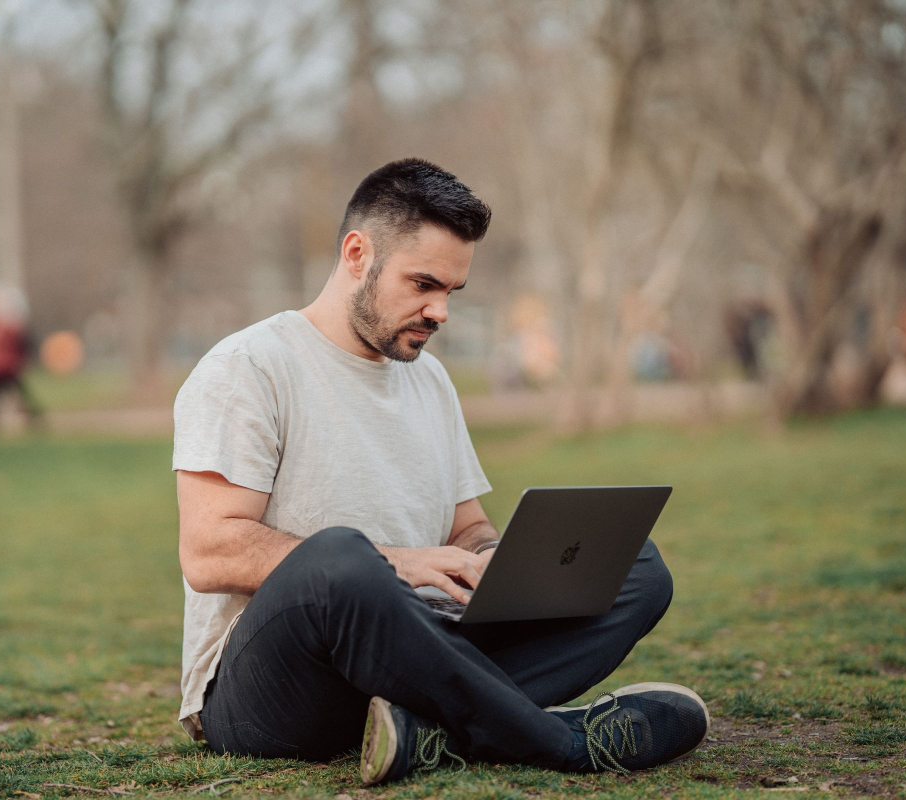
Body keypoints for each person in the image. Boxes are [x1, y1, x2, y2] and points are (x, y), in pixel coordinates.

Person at [171, 158, 709, 786]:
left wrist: (498, 564)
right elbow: (209, 552)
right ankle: (562, 742)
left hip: (420, 651)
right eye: (423, 283)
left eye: (451, 291)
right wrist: (393, 562)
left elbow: (467, 527)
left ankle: (423, 731)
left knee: (635, 567)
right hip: (274, 688)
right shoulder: (248, 367)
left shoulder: (427, 377)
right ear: (355, 254)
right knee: (339, 559)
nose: (440, 311)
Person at [0, 283, 43, 432]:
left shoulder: (0, 324)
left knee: (6, 393)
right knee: (9, 393)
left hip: (1, 366)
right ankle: (32, 416)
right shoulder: (5, 323)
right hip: (4, 366)